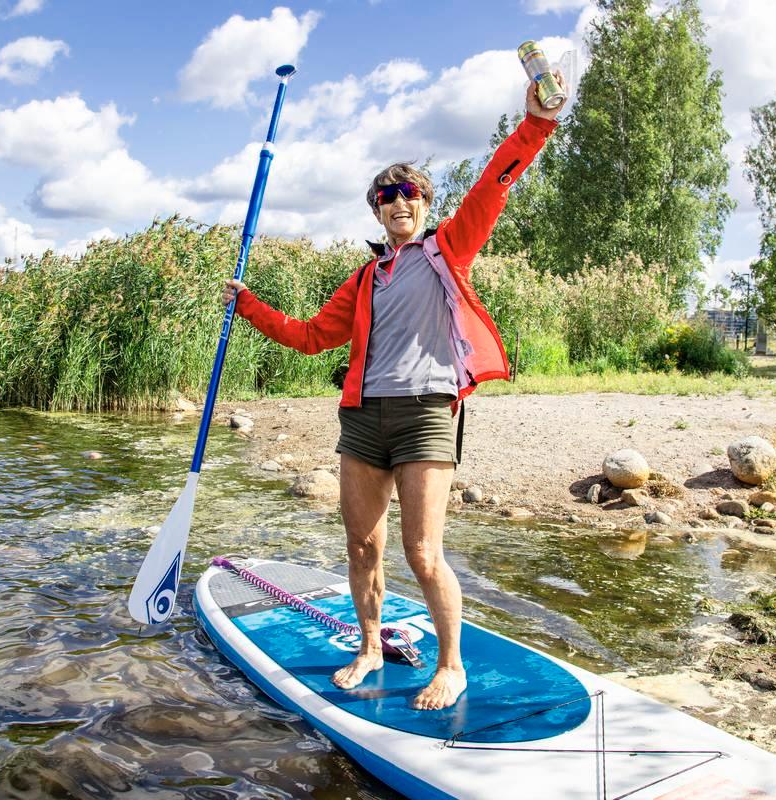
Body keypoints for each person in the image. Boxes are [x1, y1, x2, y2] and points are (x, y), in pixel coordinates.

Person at [222, 78, 560, 710]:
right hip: (363, 420)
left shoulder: (447, 250)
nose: (398, 201)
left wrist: (536, 124)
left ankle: (451, 665)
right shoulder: (366, 277)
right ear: (376, 210)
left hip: (426, 415)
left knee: (422, 551)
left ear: (425, 204)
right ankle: (371, 645)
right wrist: (247, 307)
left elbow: (494, 186)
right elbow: (310, 336)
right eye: (386, 195)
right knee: (361, 545)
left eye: (409, 192)